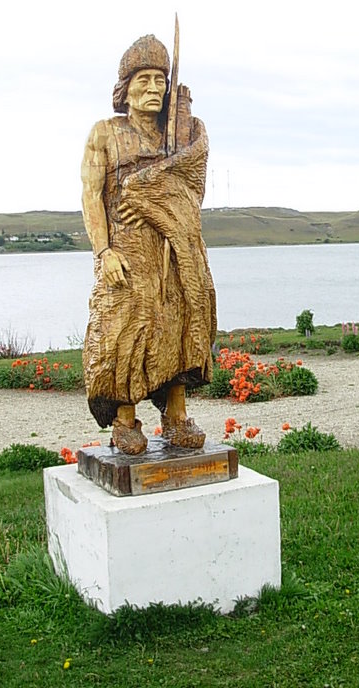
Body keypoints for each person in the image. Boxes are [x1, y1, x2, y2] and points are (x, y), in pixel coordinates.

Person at [81, 34, 216, 454]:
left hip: (176, 248)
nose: (153, 88)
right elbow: (91, 196)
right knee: (124, 332)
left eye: (160, 80)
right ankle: (125, 420)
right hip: (127, 251)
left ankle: (175, 416)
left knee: (179, 323)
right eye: (144, 79)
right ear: (126, 87)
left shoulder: (181, 134)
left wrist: (158, 193)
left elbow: (190, 184)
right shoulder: (105, 134)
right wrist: (104, 252)